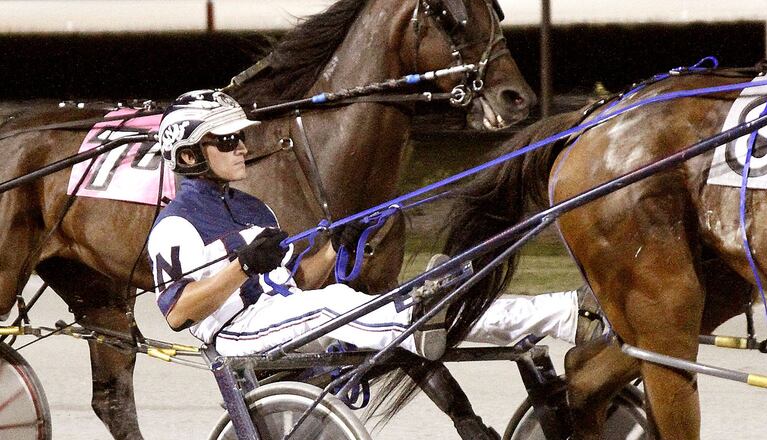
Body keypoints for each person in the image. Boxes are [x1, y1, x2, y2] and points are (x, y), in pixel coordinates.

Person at [147, 89, 602, 363]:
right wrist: (240, 269)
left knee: (367, 300)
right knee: (342, 304)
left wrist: (333, 249)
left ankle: (563, 313)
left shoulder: (253, 207)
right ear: (188, 156)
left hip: (285, 315)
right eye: (227, 140)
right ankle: (417, 319)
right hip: (238, 335)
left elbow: (296, 284)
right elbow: (177, 313)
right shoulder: (176, 226)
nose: (242, 146)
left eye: (240, 137)